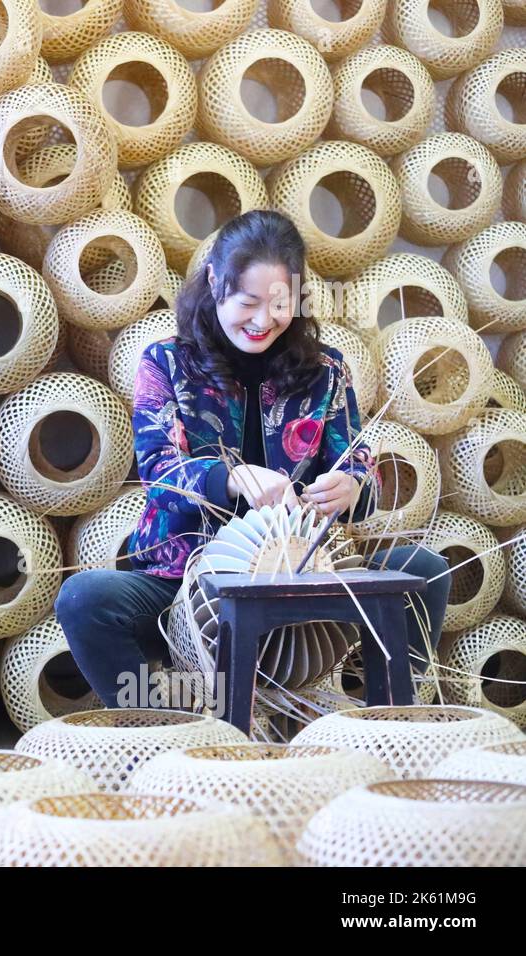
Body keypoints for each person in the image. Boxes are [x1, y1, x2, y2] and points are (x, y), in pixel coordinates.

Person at [55, 210, 449, 710]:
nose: (264, 321)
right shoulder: (167, 363)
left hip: (304, 576)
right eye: (248, 302)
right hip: (186, 585)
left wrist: (352, 488)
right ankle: (157, 731)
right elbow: (159, 471)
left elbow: (357, 466)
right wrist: (232, 478)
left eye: (281, 304)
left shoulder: (326, 372)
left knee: (423, 571)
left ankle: (385, 727)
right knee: (84, 600)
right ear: (216, 281)